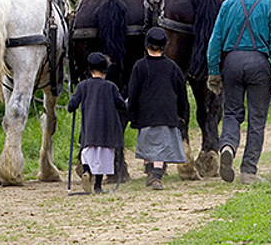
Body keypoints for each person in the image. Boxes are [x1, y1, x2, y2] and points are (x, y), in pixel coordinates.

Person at [206, 0, 271, 185]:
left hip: (231, 63)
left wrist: (214, 71)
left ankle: (227, 147)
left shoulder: (229, 5)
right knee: (257, 119)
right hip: (259, 65)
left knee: (232, 113)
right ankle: (249, 171)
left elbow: (215, 42)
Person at [127, 27, 189, 190]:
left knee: (148, 145)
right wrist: (182, 113)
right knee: (161, 148)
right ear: (165, 45)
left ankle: (150, 173)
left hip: (145, 115)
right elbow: (182, 92)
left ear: (146, 45)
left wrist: (131, 113)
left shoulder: (139, 66)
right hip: (167, 114)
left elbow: (132, 92)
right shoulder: (173, 67)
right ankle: (156, 175)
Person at [68, 52, 126, 194]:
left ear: (90, 69)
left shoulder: (83, 86)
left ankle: (87, 171)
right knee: (104, 158)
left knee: (88, 154)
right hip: (106, 132)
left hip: (89, 130)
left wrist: (72, 100)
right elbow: (121, 105)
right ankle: (98, 186)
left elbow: (71, 106)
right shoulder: (111, 87)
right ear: (106, 70)